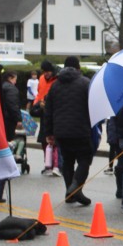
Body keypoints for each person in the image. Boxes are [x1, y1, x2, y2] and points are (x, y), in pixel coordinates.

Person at [43, 58, 94, 205]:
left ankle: (69, 193)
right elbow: (92, 105)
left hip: (61, 131)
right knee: (84, 159)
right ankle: (75, 187)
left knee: (67, 161)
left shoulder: (55, 85)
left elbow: (48, 111)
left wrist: (49, 132)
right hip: (81, 129)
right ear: (78, 68)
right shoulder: (85, 83)